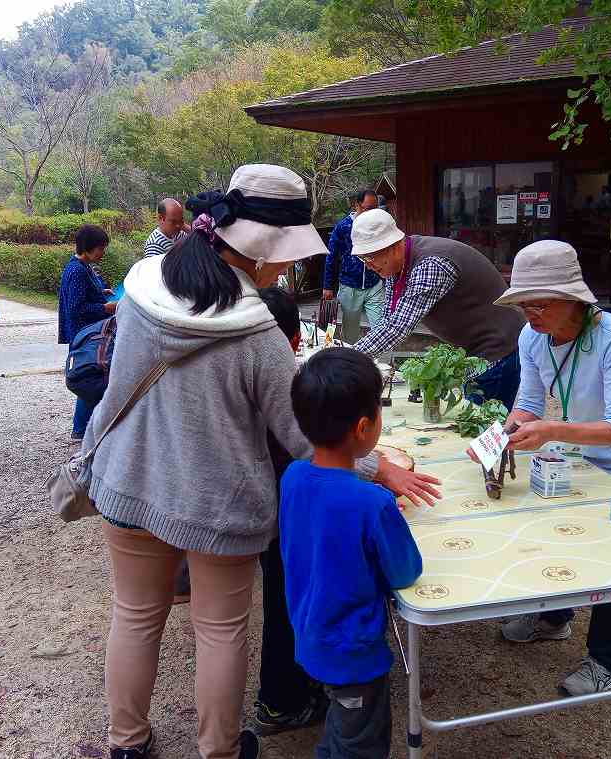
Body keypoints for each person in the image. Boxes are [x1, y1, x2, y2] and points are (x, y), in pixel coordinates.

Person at [84, 164, 439, 759]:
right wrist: (381, 469)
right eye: (284, 255)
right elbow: (310, 440)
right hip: (215, 502)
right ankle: (219, 750)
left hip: (128, 478)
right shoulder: (256, 333)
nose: (287, 268)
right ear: (260, 248)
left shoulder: (143, 284)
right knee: (219, 632)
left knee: (136, 615)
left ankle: (127, 742)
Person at [481, 239, 611, 696]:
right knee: (561, 533)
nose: (531, 314)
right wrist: (500, 436)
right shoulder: (531, 337)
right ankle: (555, 617)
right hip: (582, 450)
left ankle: (608, 661)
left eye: (541, 304)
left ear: (574, 300)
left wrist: (550, 431)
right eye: (524, 303)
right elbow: (527, 402)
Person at [281, 347, 423, 759]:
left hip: (310, 633)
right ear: (364, 427)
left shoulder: (292, 477)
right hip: (354, 654)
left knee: (342, 730)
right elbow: (405, 571)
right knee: (361, 743)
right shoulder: (370, 502)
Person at [349, 208, 526, 411]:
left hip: (498, 347)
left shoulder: (431, 263)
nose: (368, 265)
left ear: (393, 245)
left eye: (370, 257)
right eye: (363, 259)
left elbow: (398, 327)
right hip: (475, 348)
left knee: (484, 427)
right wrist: (355, 354)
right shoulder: (396, 267)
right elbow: (388, 318)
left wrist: (348, 358)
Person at [251, 286, 327, 736]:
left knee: (283, 595)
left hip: (259, 502)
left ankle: (292, 685)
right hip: (280, 508)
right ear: (294, 341)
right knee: (284, 599)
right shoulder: (279, 379)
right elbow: (310, 448)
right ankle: (281, 701)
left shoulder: (237, 363)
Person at [58, 224, 116, 440]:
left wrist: (102, 292)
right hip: (84, 334)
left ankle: (84, 426)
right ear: (89, 248)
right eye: (100, 249)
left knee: (90, 376)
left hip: (90, 332)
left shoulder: (84, 267)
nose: (102, 253)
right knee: (88, 377)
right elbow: (77, 308)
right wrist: (106, 307)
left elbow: (85, 294)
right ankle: (80, 429)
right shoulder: (76, 271)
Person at [322, 189, 385, 345]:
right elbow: (331, 256)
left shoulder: (379, 225)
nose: (372, 212)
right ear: (356, 205)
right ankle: (353, 364)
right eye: (368, 208)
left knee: (382, 329)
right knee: (350, 333)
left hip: (374, 284)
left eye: (375, 208)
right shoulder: (343, 227)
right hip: (350, 286)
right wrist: (327, 286)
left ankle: (383, 367)